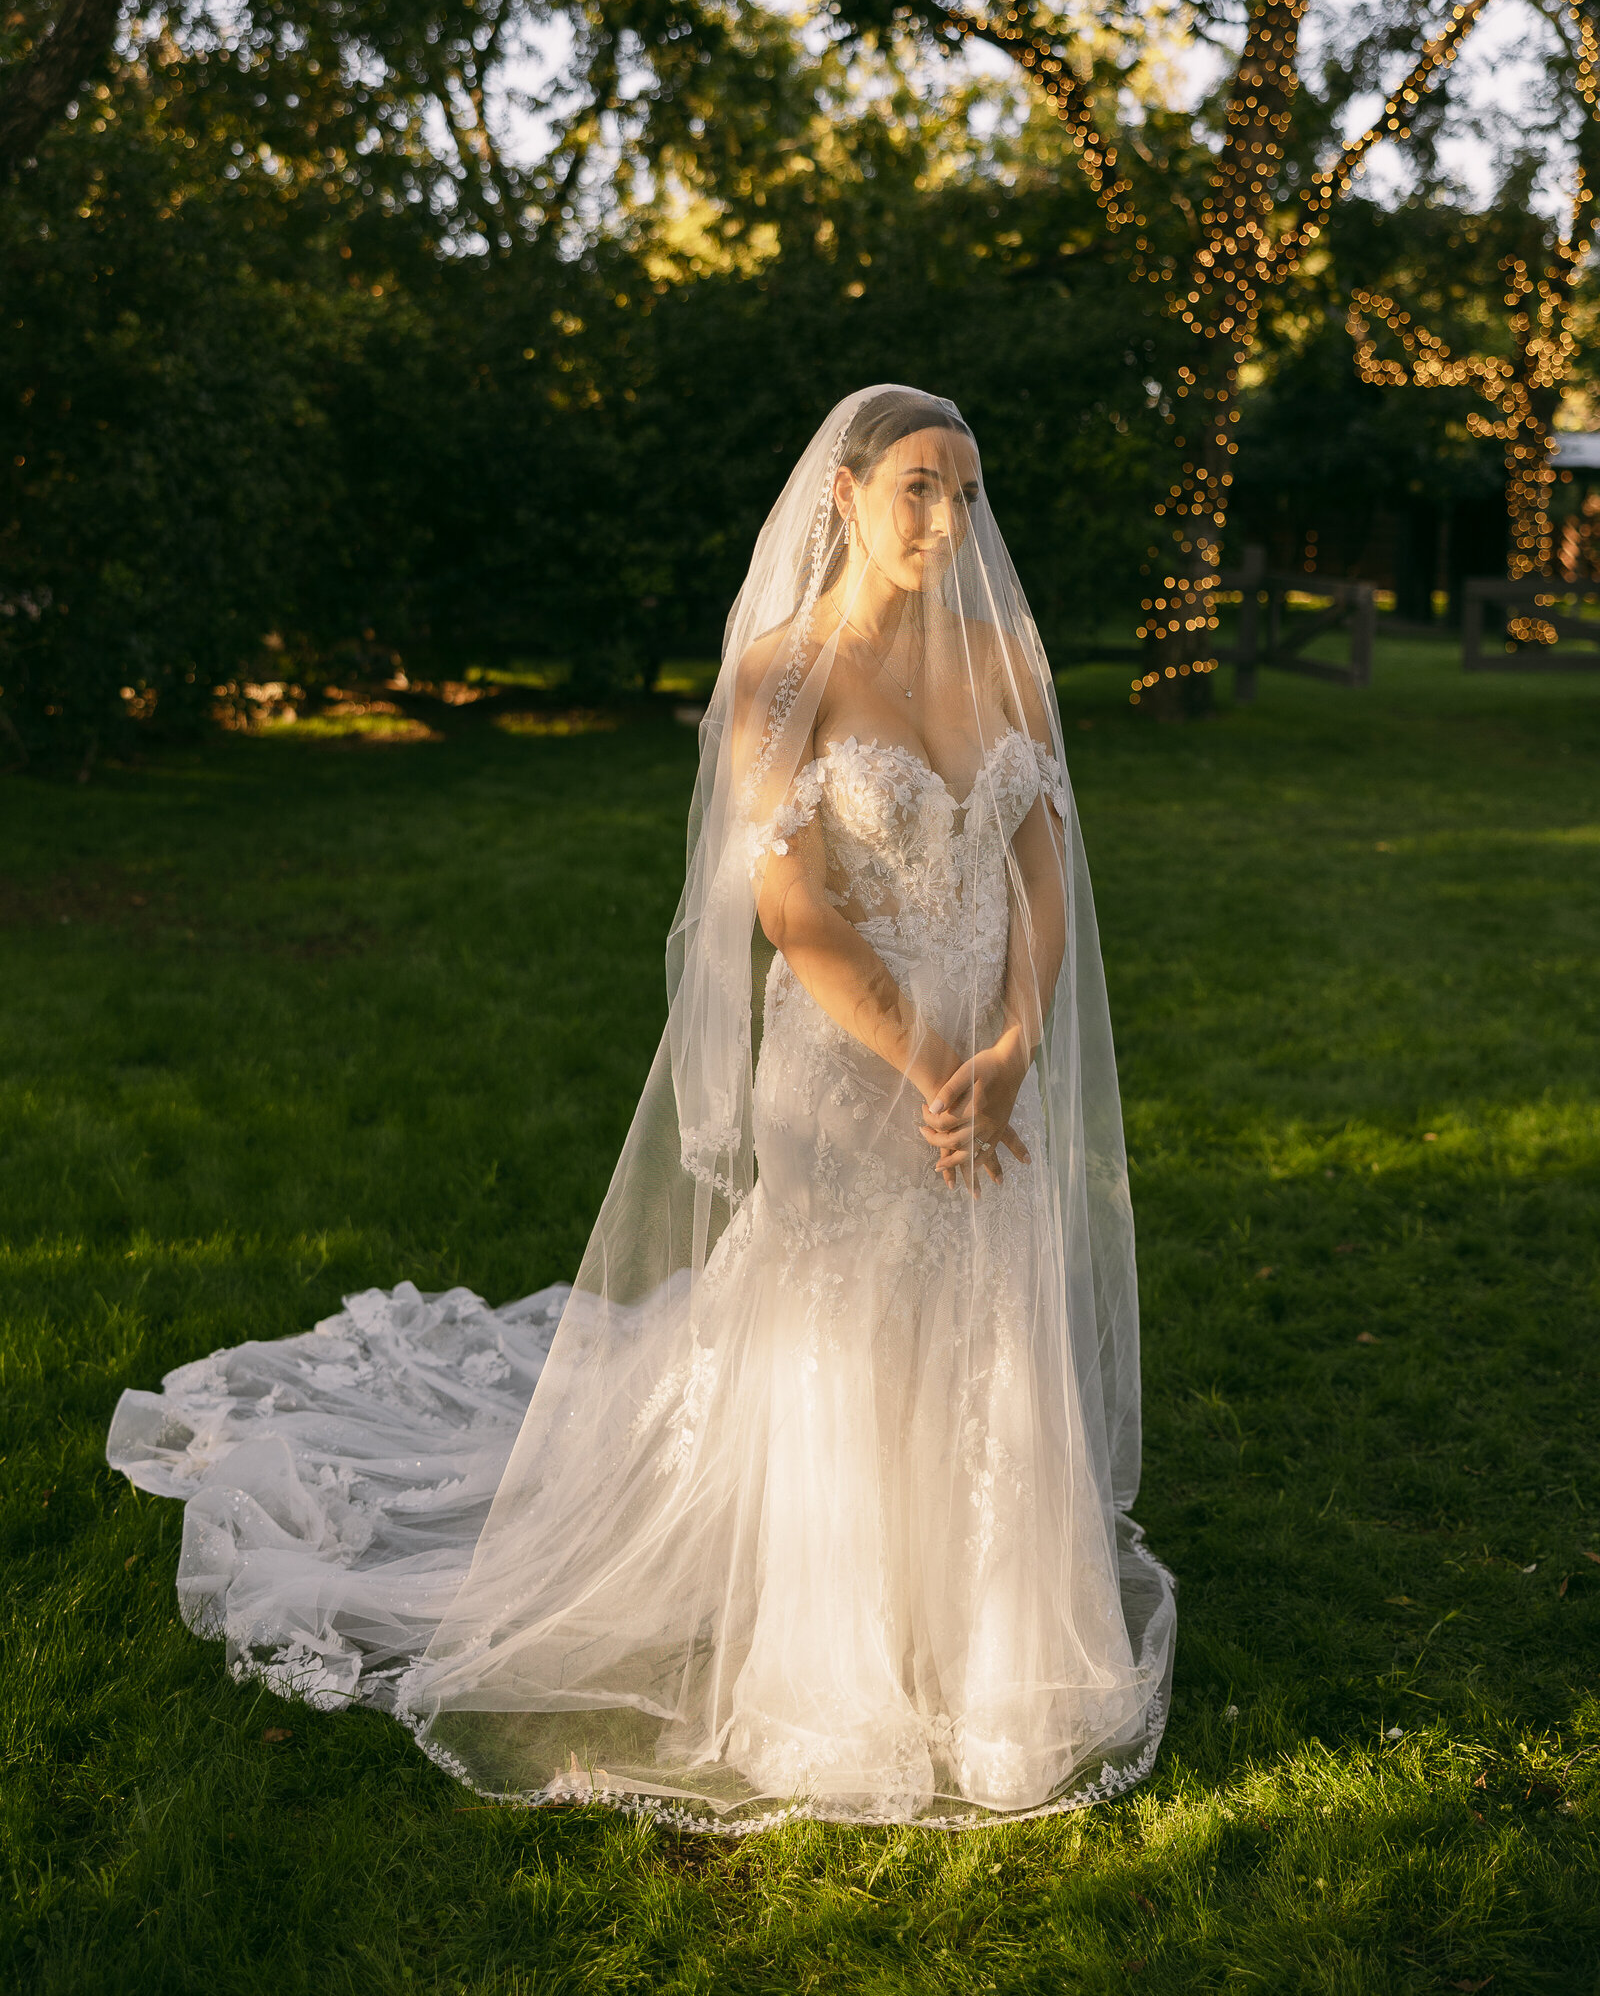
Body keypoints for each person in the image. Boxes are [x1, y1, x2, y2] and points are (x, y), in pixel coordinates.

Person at [109, 384, 1175, 1830]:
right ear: (845, 498)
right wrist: (938, 1075)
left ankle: (989, 1665)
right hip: (856, 1085)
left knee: (984, 1321)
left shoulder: (1007, 663)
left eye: (970, 492)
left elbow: (1047, 871)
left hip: (991, 1071)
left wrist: (1013, 1045)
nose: (948, 518)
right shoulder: (779, 677)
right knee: (844, 1341)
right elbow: (793, 911)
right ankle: (837, 1677)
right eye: (919, 486)